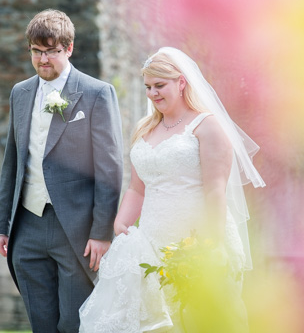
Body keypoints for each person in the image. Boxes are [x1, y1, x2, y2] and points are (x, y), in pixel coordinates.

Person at [79, 47, 265, 332]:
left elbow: (215, 190)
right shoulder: (145, 129)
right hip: (150, 242)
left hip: (195, 239)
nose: (153, 93)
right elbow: (138, 188)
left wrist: (210, 245)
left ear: (181, 82)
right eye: (148, 87)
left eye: (160, 85)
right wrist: (122, 221)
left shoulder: (207, 126)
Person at [0, 9, 123, 333]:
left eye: (50, 51)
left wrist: (101, 232)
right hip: (27, 227)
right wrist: (1, 225)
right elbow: (12, 161)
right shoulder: (20, 93)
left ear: (69, 48)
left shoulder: (96, 93)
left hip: (76, 230)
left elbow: (110, 168)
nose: (42, 59)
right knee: (41, 323)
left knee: (74, 323)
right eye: (36, 51)